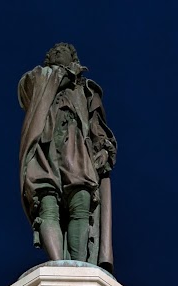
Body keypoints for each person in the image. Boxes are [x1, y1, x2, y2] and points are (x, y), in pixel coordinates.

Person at [18, 43, 117, 271]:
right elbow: (27, 92)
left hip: (77, 147)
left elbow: (97, 128)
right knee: (47, 202)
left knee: (81, 202)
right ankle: (57, 267)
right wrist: (62, 74)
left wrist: (103, 149)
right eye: (53, 52)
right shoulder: (36, 77)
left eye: (62, 50)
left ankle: (77, 267)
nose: (56, 53)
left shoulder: (87, 90)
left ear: (73, 56)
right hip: (45, 146)